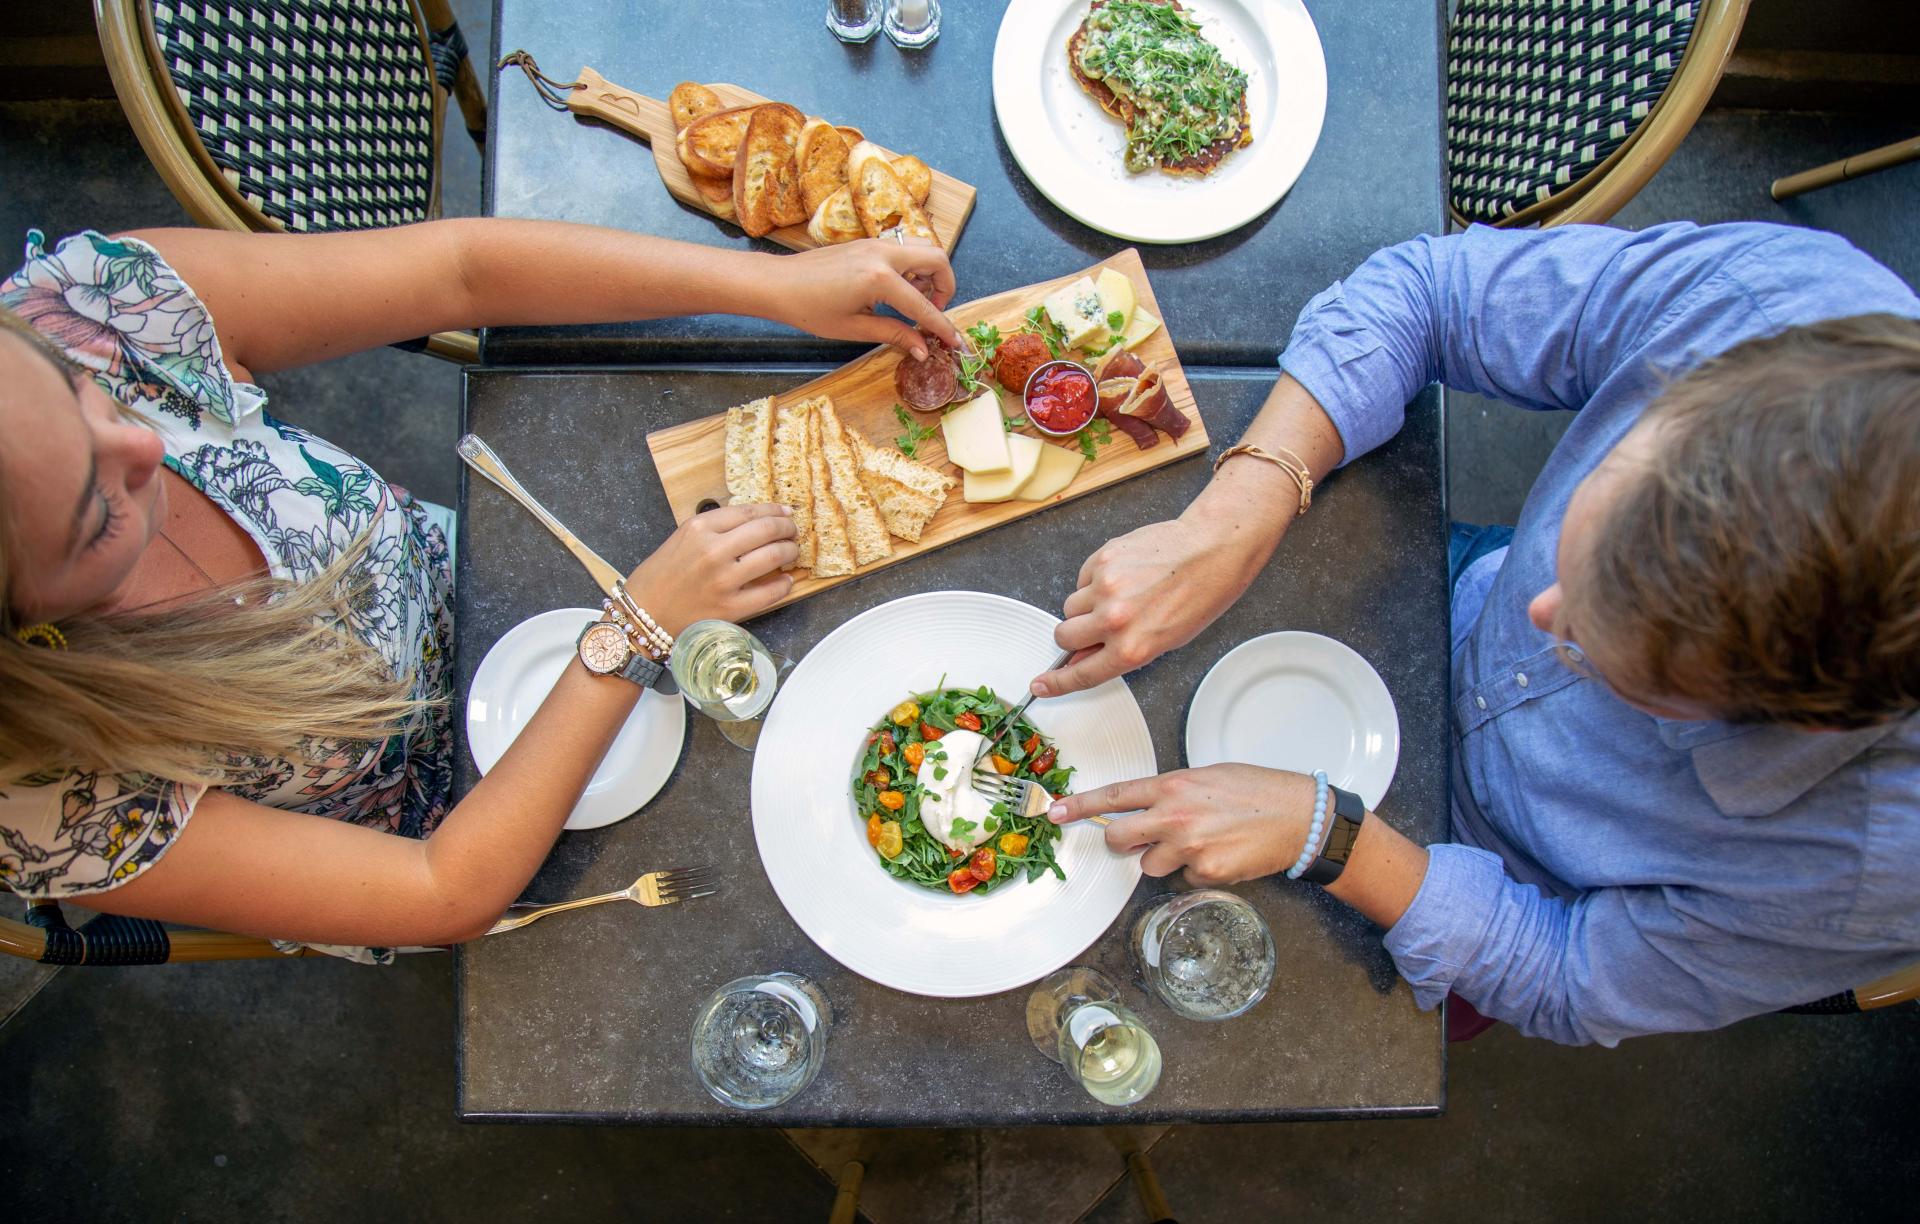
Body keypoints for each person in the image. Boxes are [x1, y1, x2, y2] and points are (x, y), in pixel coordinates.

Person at [1036, 222, 1920, 1046]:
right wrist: (1237, 515)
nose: (1544, 613)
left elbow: (1568, 980)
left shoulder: (1868, 874)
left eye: (1599, 652)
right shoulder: (1780, 309)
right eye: (1579, 552)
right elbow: (1428, 293)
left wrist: (1333, 837)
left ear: (1804, 719)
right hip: (1411, 594)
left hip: (1466, 883)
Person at [0, 220, 962, 961]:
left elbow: (461, 269)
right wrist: (635, 626)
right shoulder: (44, 794)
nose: (143, 444)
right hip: (463, 832)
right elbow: (440, 891)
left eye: (80, 400)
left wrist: (775, 284)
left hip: (494, 571)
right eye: (95, 510)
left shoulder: (85, 315)